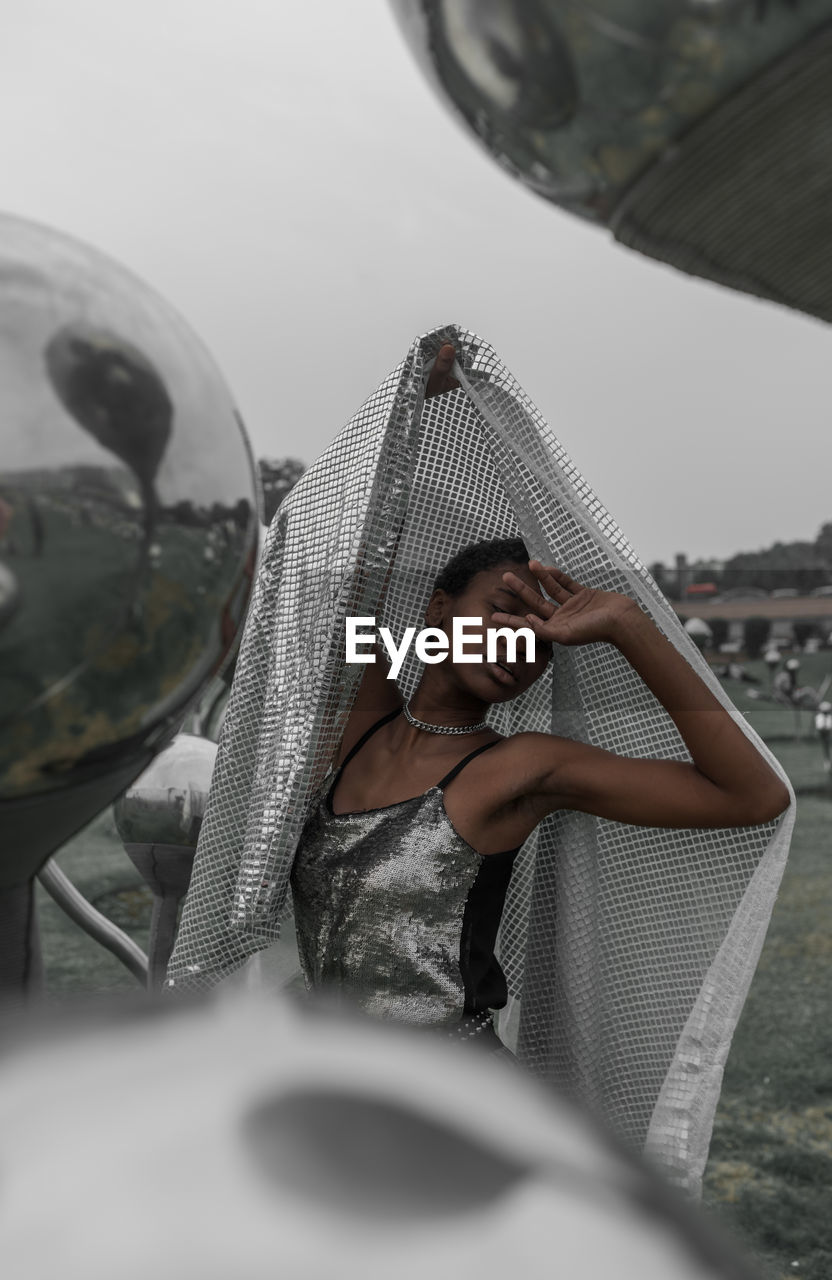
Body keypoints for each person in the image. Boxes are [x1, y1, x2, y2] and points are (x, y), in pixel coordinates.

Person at [288, 344, 790, 1047]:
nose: (518, 643)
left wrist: (625, 625)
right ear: (436, 609)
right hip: (324, 1092)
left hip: (454, 1114)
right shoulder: (363, 724)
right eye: (502, 612)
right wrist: (406, 411)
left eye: (542, 636)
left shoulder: (521, 768)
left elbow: (751, 797)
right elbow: (338, 552)